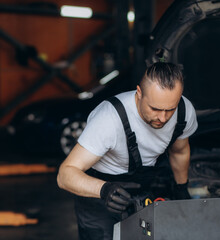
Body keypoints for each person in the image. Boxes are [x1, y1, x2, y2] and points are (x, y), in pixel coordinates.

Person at [57, 62, 198, 240]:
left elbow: (179, 152)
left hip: (143, 187)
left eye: (170, 109)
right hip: (99, 192)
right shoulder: (109, 118)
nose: (162, 118)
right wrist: (104, 190)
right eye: (155, 109)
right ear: (139, 94)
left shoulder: (185, 111)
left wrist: (181, 188)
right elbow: (65, 175)